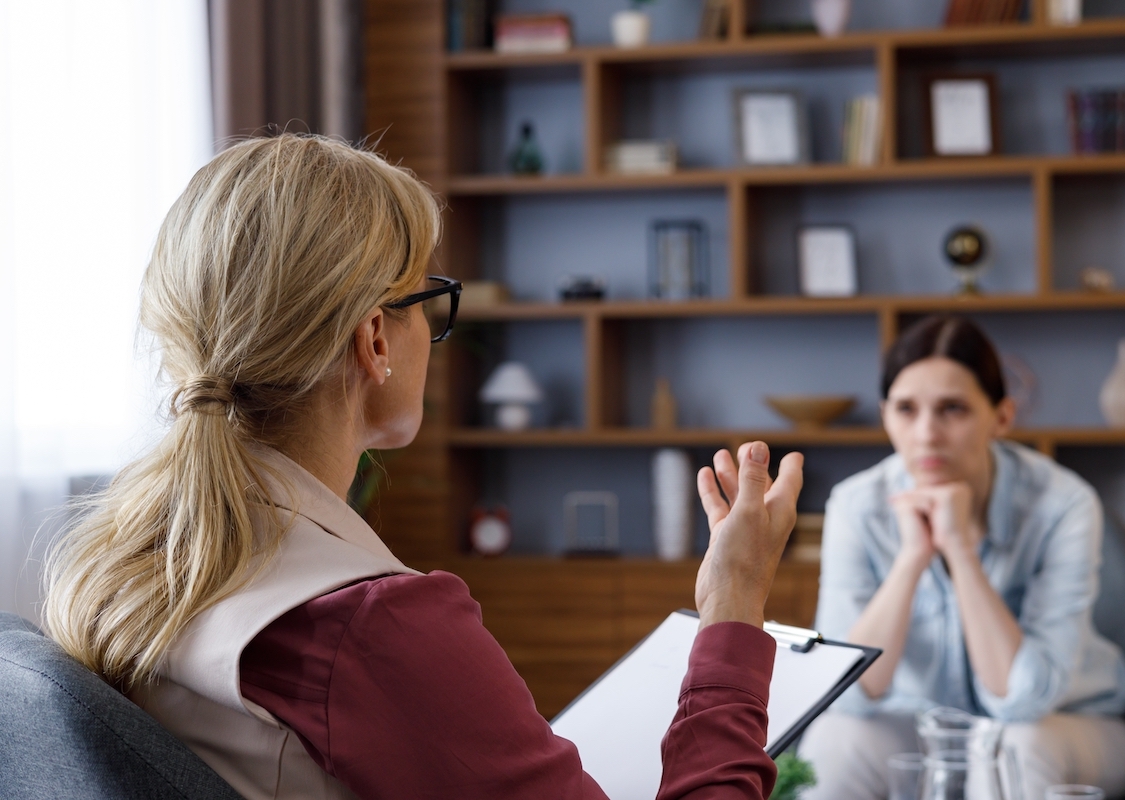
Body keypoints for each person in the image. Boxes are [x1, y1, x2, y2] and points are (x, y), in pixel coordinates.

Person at [41, 134, 806, 800]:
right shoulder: (365, 628)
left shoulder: (123, 566)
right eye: (428, 300)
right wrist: (733, 607)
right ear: (375, 340)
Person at [798, 315, 1125, 800]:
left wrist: (960, 550)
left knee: (1017, 749)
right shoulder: (857, 505)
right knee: (833, 742)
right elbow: (847, 696)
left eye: (952, 409)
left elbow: (1022, 700)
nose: (926, 434)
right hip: (920, 726)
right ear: (885, 415)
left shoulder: (1064, 503)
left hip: (1067, 724)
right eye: (906, 409)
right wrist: (912, 558)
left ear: (1001, 417)